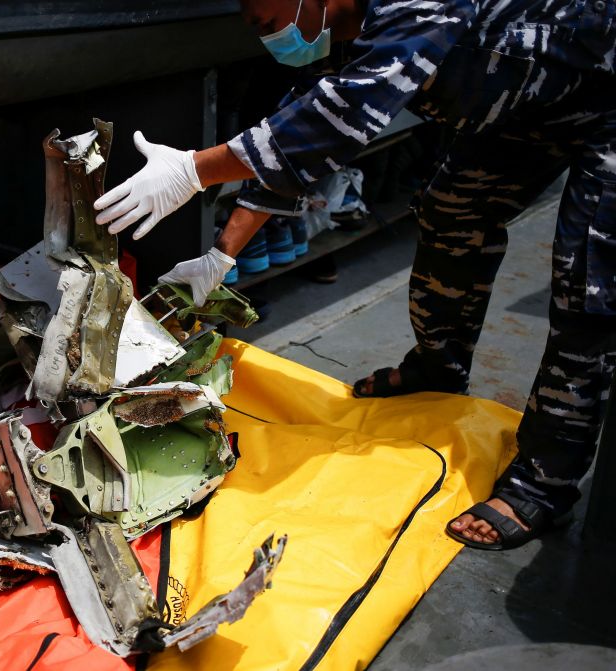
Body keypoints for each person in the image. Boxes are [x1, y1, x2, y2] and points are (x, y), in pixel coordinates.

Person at [94, 0, 616, 551]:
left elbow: (336, 119)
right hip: (520, 111)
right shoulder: (341, 34)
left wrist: (192, 171)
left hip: (604, 103)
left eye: (260, 12)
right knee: (450, 213)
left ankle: (543, 481)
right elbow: (294, 146)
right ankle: (438, 369)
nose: (253, 23)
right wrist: (221, 257)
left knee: (587, 284)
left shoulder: (415, 5)